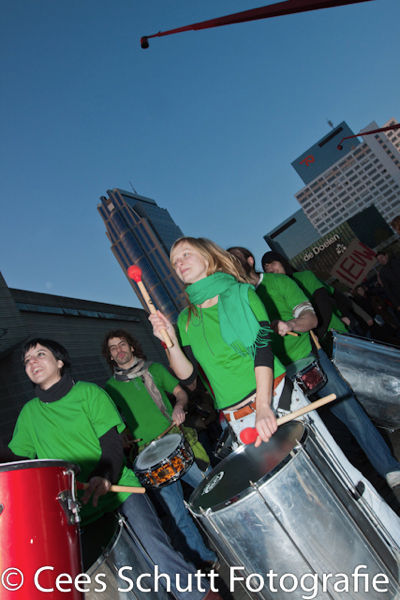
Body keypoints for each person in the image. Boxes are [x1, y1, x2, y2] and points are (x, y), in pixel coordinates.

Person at [3, 338, 221, 600]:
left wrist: (103, 476)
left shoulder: (89, 393)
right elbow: (16, 460)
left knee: (160, 555)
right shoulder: (29, 414)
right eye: (27, 360)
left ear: (60, 362)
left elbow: (112, 445)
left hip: (121, 491)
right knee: (135, 580)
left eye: (40, 354)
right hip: (83, 508)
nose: (32, 362)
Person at [258, 250, 400, 491]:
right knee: (334, 420)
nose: (272, 270)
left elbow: (326, 303)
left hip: (333, 343)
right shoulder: (254, 296)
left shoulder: (302, 277)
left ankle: (387, 443)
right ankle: (361, 464)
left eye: (273, 265)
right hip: (306, 360)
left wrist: (340, 319)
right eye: (268, 268)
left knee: (357, 399)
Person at [101, 329, 218, 571]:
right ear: (110, 356)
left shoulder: (154, 369)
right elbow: (113, 423)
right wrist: (122, 438)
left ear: (132, 347)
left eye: (122, 344)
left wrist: (179, 406)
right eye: (113, 348)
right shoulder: (109, 388)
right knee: (176, 514)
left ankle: (237, 530)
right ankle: (205, 558)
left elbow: (180, 393)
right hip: (148, 457)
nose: (118, 350)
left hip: (177, 441)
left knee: (213, 490)